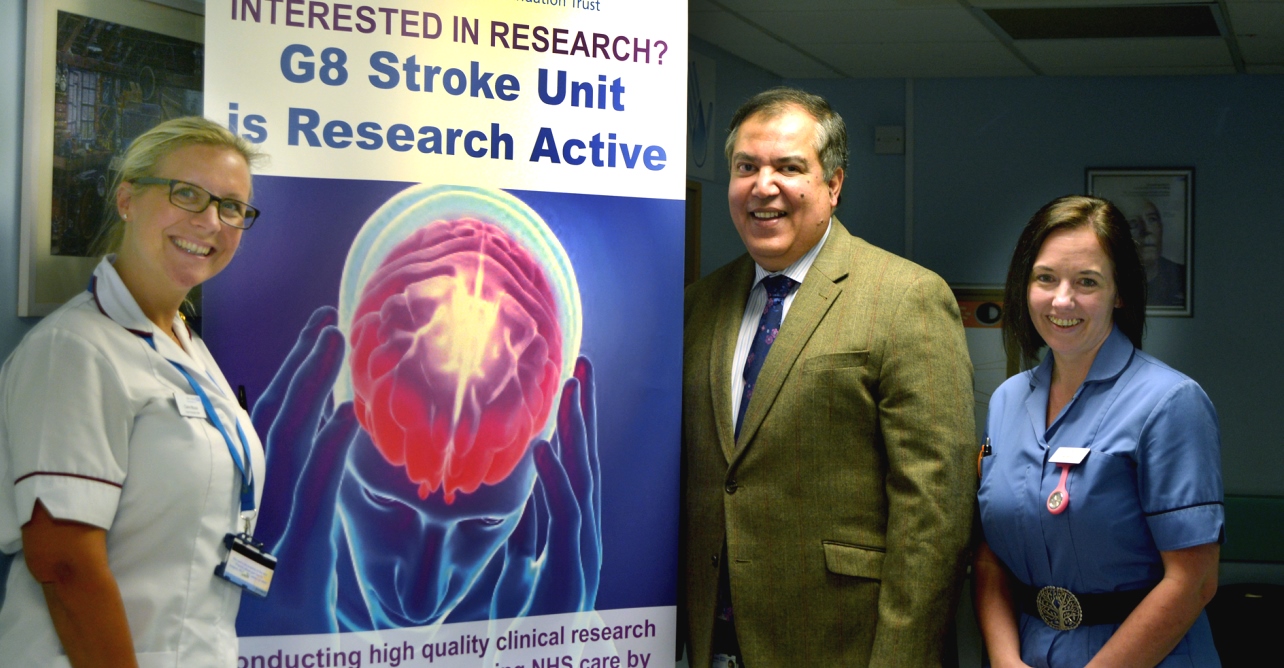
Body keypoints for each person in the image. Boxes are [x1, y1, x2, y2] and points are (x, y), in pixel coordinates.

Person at [682, 87, 976, 666]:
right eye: (747, 167)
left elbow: (935, 513)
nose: (763, 186)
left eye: (789, 167)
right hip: (714, 644)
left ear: (834, 184)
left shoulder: (906, 298)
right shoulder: (698, 304)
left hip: (844, 645)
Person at [0, 117, 267, 666]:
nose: (210, 221)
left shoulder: (183, 341)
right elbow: (64, 563)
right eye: (186, 193)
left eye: (232, 207)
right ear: (127, 199)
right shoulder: (74, 349)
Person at [974, 195, 1222, 667]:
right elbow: (990, 555)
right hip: (1028, 650)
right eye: (1045, 278)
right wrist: (1006, 661)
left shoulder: (1169, 403)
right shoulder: (1007, 401)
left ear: (1120, 291)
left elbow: (1194, 581)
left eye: (1086, 281)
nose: (1061, 300)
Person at [1125, 199, 1185, 307]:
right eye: (1133, 223)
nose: (1147, 230)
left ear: (1161, 228)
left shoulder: (1182, 276)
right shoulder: (1111, 279)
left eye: (1152, 219)